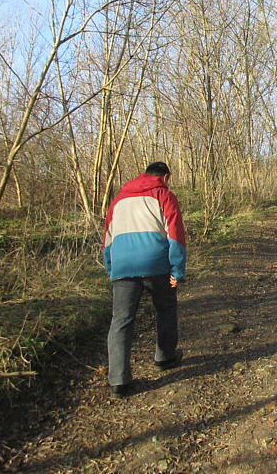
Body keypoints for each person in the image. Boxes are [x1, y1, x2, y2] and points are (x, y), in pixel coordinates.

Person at [103, 161, 186, 398]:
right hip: (156, 265)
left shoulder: (118, 200)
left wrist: (111, 268)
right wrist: (177, 271)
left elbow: (107, 238)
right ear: (166, 176)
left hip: (122, 267)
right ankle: (165, 357)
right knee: (166, 308)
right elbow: (175, 235)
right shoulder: (164, 195)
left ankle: (118, 381)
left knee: (121, 320)